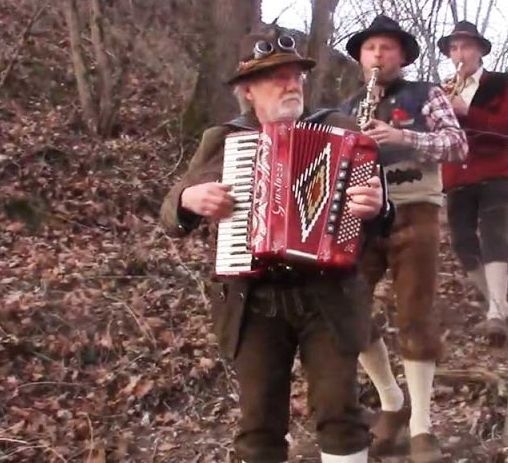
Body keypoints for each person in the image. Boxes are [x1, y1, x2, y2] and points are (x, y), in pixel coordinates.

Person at [160, 27, 394, 463]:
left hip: (328, 295)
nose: (291, 84)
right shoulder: (224, 140)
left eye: (296, 75)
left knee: (340, 413)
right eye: (276, 77)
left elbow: (383, 218)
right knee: (259, 425)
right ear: (248, 91)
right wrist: (189, 200)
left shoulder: (340, 131)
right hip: (254, 302)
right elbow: (173, 210)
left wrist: (376, 207)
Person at [339, 15, 468, 462]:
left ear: (403, 56)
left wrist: (402, 136)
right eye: (371, 48)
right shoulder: (350, 104)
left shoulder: (425, 94)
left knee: (415, 313)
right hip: (363, 218)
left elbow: (457, 145)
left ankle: (421, 428)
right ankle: (392, 401)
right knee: (346, 308)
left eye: (387, 48)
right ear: (359, 57)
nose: (378, 55)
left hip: (416, 209)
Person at [438, 20, 508, 344]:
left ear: (479, 51)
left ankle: (495, 313)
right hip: (457, 175)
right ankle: (499, 307)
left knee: (493, 234)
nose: (460, 54)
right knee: (461, 243)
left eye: (466, 47)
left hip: (494, 171)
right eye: (454, 48)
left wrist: (466, 110)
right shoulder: (444, 89)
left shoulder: (503, 83)